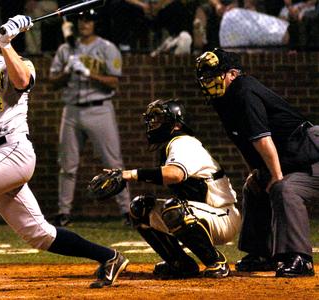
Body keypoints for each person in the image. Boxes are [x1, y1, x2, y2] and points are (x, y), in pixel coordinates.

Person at [0, 16, 129, 296]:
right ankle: (110, 257)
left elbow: (21, 81)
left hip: (14, 149)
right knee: (38, 233)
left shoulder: (20, 62)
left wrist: (6, 44)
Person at [195, 48, 319, 277]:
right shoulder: (223, 99)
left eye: (214, 75)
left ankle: (300, 258)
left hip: (312, 155)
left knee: (284, 189)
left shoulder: (244, 91)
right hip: (294, 157)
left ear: (232, 74)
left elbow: (263, 139)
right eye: (205, 78)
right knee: (255, 186)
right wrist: (258, 172)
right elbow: (244, 142)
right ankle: (262, 254)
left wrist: (276, 175)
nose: (209, 82)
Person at [116, 99, 240, 278]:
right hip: (202, 213)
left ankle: (216, 262)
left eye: (158, 119)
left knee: (174, 209)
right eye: (151, 119)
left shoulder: (183, 143)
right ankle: (180, 263)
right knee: (140, 208)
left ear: (174, 123)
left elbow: (174, 174)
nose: (152, 124)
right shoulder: (171, 145)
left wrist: (131, 174)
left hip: (222, 215)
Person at [49, 9, 131, 227]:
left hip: (100, 108)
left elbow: (114, 81)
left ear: (95, 23)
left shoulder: (106, 48)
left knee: (113, 163)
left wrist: (87, 73)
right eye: (81, 19)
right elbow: (53, 82)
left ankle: (127, 212)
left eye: (89, 20)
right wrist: (68, 71)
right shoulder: (66, 49)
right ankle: (63, 213)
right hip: (72, 110)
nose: (84, 23)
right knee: (67, 165)